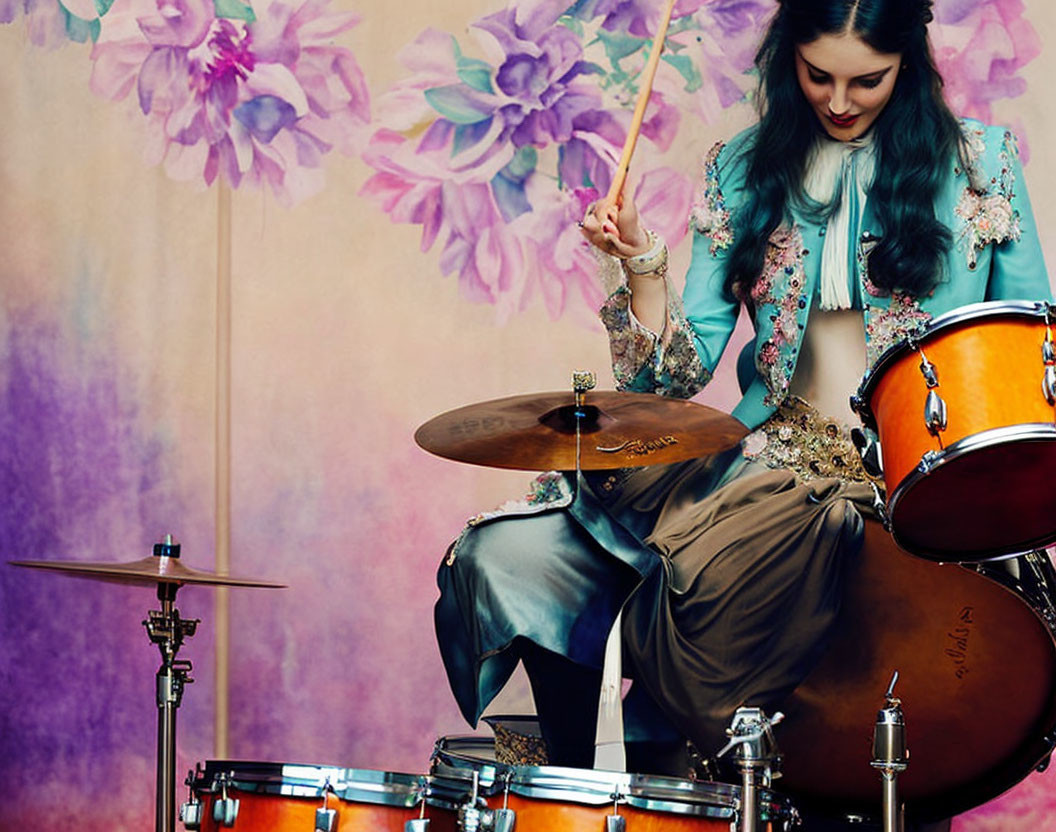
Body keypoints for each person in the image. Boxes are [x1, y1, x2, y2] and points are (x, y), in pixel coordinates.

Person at [435, 0, 1050, 825]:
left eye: (868, 79)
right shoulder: (742, 169)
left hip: (913, 486)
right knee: (517, 555)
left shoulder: (984, 163)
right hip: (763, 470)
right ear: (787, 62)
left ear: (908, 64)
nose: (840, 100)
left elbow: (1030, 352)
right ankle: (590, 793)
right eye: (818, 75)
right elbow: (673, 378)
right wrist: (643, 266)